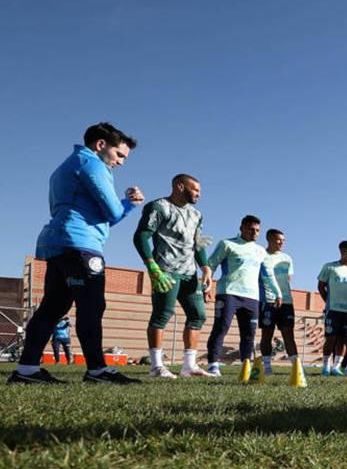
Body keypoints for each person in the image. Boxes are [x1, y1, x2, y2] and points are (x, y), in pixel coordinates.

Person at [10, 123, 144, 384]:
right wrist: (130, 203)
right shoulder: (93, 165)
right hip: (81, 244)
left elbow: (100, 216)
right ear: (101, 145)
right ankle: (97, 370)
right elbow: (113, 213)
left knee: (53, 306)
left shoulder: (63, 167)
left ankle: (26, 370)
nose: (120, 163)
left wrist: (123, 206)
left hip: (58, 244)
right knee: (91, 305)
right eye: (119, 155)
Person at [133, 174, 213, 379]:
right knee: (162, 315)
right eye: (195, 189)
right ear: (179, 186)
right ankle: (157, 366)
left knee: (198, 315)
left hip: (189, 274)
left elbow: (198, 242)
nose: (198, 194)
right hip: (166, 270)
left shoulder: (196, 214)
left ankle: (189, 366)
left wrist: (205, 267)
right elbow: (141, 235)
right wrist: (151, 266)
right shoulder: (158, 207)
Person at [206, 215, 280, 377]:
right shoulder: (227, 244)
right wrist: (207, 285)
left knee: (249, 333)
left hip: (252, 298)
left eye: (257, 230)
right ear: (241, 228)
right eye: (251, 229)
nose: (254, 233)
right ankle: (213, 365)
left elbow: (268, 275)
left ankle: (246, 366)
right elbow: (211, 264)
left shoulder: (260, 251)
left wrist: (277, 292)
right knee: (221, 328)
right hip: (228, 293)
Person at [317, 241, 347, 377]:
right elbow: (321, 286)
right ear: (342, 252)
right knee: (330, 338)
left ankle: (336, 366)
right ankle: (326, 366)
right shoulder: (330, 267)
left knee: (343, 340)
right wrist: (328, 302)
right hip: (333, 310)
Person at [259, 229, 298, 375]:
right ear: (269, 239)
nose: (281, 242)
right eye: (278, 239)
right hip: (268, 301)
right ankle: (267, 367)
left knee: (289, 334)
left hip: (286, 302)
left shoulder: (287, 258)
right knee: (267, 334)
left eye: (283, 240)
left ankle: (296, 367)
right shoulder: (261, 255)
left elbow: (288, 279)